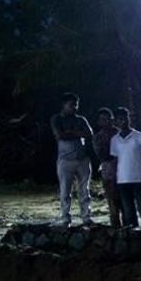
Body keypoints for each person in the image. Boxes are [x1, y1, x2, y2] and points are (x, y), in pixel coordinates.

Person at [50, 93, 94, 226]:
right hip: (65, 160)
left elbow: (89, 134)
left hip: (82, 159)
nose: (75, 107)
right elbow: (60, 135)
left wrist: (70, 132)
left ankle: (86, 218)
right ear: (64, 105)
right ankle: (65, 218)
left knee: (84, 191)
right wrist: (77, 134)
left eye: (76, 105)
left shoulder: (81, 119)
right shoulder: (56, 118)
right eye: (71, 105)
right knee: (65, 191)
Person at [109, 107, 141, 228]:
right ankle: (133, 238)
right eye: (120, 119)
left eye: (125, 118)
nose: (123, 121)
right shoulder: (115, 140)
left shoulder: (140, 136)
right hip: (122, 180)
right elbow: (115, 162)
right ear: (116, 121)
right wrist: (114, 181)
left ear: (129, 119)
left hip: (139, 179)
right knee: (128, 212)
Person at [91, 108, 121, 228]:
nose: (105, 122)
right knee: (112, 203)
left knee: (124, 202)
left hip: (123, 171)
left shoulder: (120, 133)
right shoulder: (98, 137)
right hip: (108, 171)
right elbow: (103, 155)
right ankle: (116, 228)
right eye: (102, 119)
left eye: (107, 119)